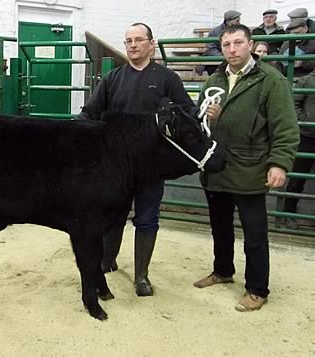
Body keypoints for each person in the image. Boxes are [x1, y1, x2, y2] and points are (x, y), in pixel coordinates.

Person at [78, 22, 216, 297]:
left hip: (152, 166)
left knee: (147, 218)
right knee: (111, 216)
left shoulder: (168, 79)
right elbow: (90, 112)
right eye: (128, 40)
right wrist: (72, 135)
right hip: (115, 168)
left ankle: (141, 276)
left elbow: (187, 113)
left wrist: (205, 114)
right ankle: (107, 262)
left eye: (139, 40)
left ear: (151, 44)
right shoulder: (113, 78)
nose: (132, 45)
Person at [193, 24, 300, 312]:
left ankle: (257, 289)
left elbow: (286, 127)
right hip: (216, 167)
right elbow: (198, 121)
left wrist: (279, 163)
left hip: (251, 168)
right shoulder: (214, 78)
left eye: (238, 43)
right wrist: (208, 116)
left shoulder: (270, 80)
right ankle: (223, 271)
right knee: (220, 228)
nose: (232, 49)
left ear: (250, 45)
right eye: (227, 44)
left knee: (254, 234)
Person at [283, 68, 315, 229]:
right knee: (297, 179)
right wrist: (305, 123)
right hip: (306, 137)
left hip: (307, 134)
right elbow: (294, 104)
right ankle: (288, 214)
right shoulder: (306, 80)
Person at [202, 10, 241, 75]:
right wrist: (224, 57)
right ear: (229, 22)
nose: (239, 23)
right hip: (219, 59)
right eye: (237, 21)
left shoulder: (240, 31)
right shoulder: (215, 32)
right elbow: (211, 49)